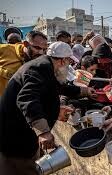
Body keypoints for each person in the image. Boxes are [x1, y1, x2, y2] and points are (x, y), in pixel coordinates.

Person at [0, 41, 97, 175]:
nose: (69, 65)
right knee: (21, 168)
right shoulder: (39, 69)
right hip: (15, 137)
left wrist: (84, 91)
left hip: (21, 132)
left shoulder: (46, 67)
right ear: (63, 61)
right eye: (69, 61)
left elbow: (57, 87)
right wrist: (43, 131)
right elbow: (26, 98)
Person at [0, 30, 48, 96]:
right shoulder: (4, 49)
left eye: (44, 49)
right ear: (26, 44)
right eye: (37, 48)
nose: (41, 52)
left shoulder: (43, 61)